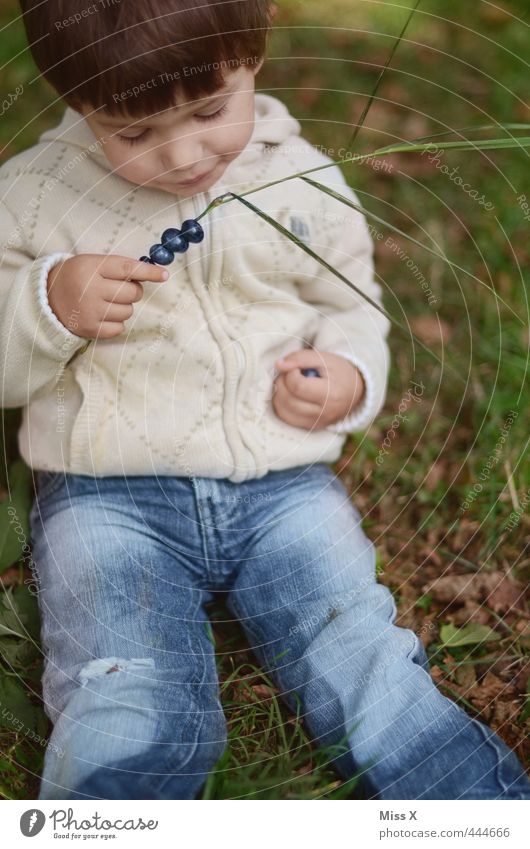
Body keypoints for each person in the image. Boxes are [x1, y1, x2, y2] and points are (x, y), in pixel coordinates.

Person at [2, 0, 528, 800]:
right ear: (76, 102)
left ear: (255, 50)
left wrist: (349, 374)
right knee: (123, 683)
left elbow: (352, 303)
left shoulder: (301, 178)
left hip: (285, 487)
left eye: (212, 110)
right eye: (134, 133)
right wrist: (47, 306)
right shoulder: (31, 196)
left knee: (360, 654)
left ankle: (477, 812)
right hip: (107, 496)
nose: (182, 154)